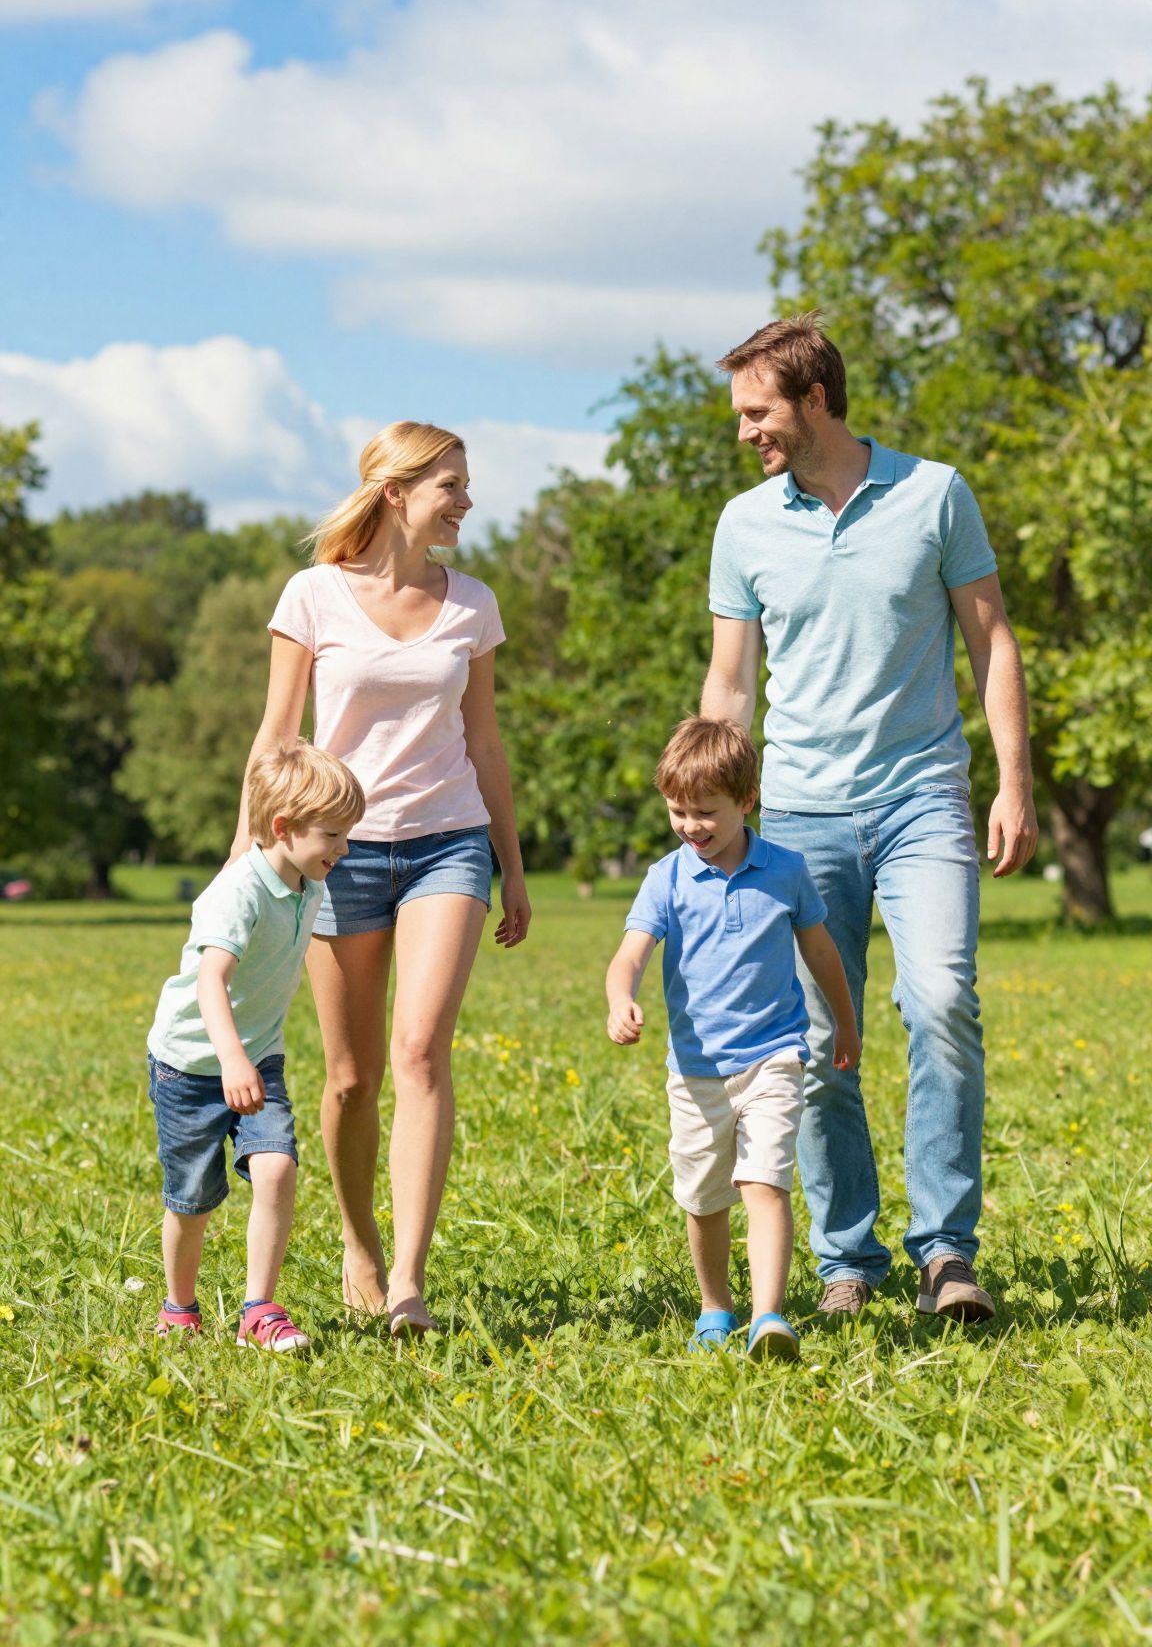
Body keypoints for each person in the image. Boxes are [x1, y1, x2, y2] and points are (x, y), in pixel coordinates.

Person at [702, 314, 1038, 1324]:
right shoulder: (744, 523)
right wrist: (716, 807)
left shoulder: (934, 493)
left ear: (814, 399)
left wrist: (1012, 780)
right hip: (799, 811)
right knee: (810, 1038)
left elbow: (993, 640)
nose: (745, 431)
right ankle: (846, 1255)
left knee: (939, 1002)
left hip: (922, 796)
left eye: (757, 411)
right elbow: (730, 679)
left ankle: (948, 1252)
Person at [233, 422, 531, 1336]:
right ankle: (359, 1246)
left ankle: (407, 1280)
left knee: (419, 1052)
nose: (468, 502)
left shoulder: (473, 603)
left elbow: (483, 740)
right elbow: (279, 735)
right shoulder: (314, 595)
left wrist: (510, 864)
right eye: (452, 485)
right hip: (339, 851)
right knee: (353, 1078)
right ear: (397, 492)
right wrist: (245, 857)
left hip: (449, 841)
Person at [605, 718, 860, 1359]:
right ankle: (716, 1306)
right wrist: (620, 996)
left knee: (766, 1181)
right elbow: (629, 955)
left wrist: (846, 1020)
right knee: (705, 1196)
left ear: (747, 801)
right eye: (678, 811)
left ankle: (769, 1316)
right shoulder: (667, 877)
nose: (691, 826)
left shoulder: (786, 871)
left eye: (705, 812)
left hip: (774, 1054)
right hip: (696, 1070)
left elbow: (823, 952)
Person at [148, 741, 365, 1350]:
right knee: (192, 1200)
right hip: (189, 1066)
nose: (344, 850)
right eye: (333, 836)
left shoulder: (308, 884)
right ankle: (179, 1307)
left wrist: (250, 1059)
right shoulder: (237, 891)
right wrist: (231, 1059)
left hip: (258, 1059)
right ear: (282, 827)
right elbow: (209, 980)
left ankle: (258, 1311)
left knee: (276, 1169)